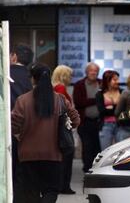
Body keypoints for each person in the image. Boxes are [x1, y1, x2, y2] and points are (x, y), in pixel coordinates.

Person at [11, 63, 80, 203]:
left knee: (31, 192)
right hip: (53, 155)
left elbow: (13, 125)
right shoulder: (60, 99)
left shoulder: (22, 100)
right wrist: (64, 128)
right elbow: (75, 120)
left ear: (33, 79)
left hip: (27, 155)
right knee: (51, 190)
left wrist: (20, 135)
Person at [9, 44, 33, 203]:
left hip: (8, 127)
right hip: (27, 128)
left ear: (14, 57)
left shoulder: (6, 74)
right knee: (21, 167)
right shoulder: (31, 77)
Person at [73, 62, 102, 172]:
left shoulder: (102, 83)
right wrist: (96, 99)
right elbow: (79, 102)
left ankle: (97, 169)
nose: (93, 73)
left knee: (98, 147)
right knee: (87, 147)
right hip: (85, 122)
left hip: (99, 122)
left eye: (96, 71)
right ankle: (87, 169)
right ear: (86, 72)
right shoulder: (79, 84)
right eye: (91, 70)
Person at [51, 65, 76, 194]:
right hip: (63, 127)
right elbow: (62, 109)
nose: (71, 78)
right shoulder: (60, 88)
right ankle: (64, 185)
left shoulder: (54, 87)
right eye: (70, 75)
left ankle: (61, 184)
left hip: (57, 127)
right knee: (67, 155)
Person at [96, 70, 121, 150]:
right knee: (105, 151)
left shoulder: (123, 92)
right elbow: (102, 111)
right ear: (107, 81)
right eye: (115, 79)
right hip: (106, 125)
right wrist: (116, 107)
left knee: (121, 151)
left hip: (121, 125)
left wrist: (111, 107)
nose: (118, 81)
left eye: (118, 79)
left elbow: (124, 109)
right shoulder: (99, 94)